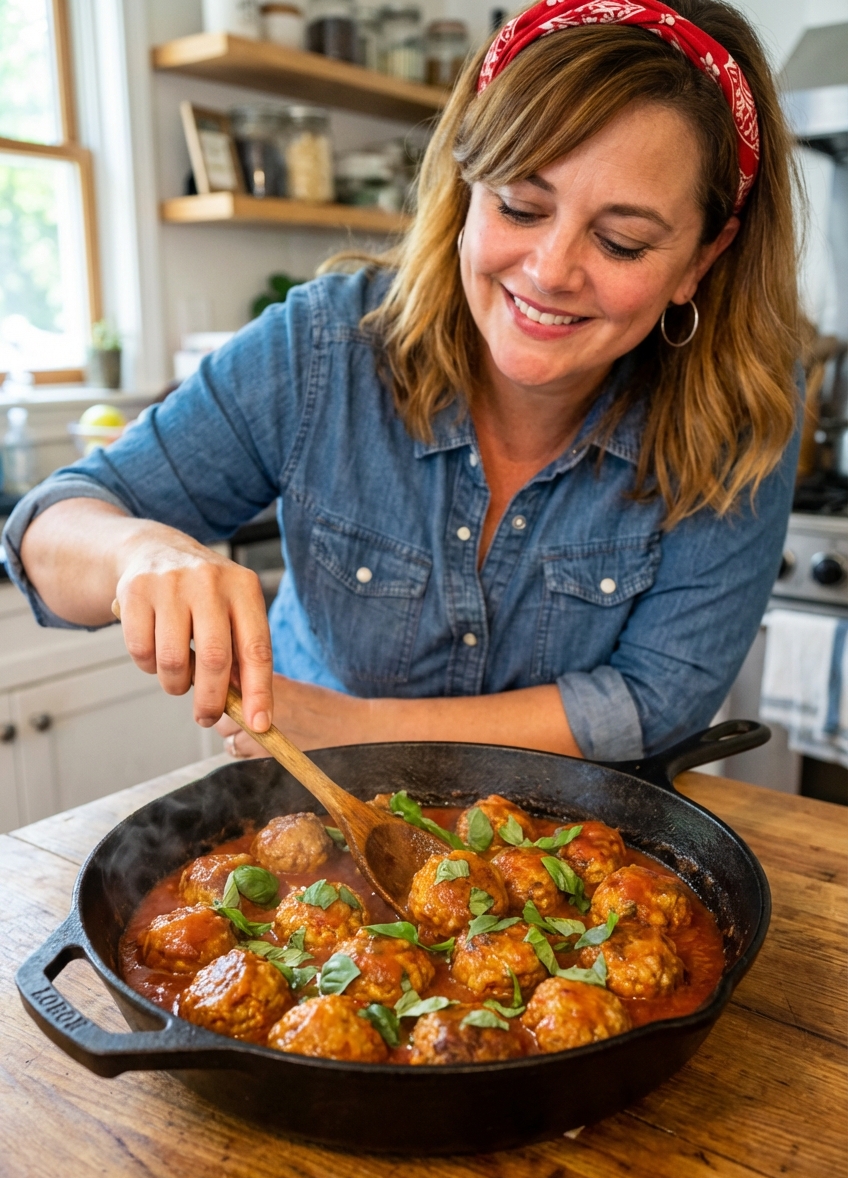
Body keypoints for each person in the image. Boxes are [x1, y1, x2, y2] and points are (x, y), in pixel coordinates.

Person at [3, 0, 801, 764]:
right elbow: (44, 534)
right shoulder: (324, 347)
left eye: (622, 241)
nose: (551, 272)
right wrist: (139, 552)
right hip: (311, 820)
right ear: (466, 190)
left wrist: (361, 729)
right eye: (520, 207)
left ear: (701, 258)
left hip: (575, 835)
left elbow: (656, 698)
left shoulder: (743, 415)